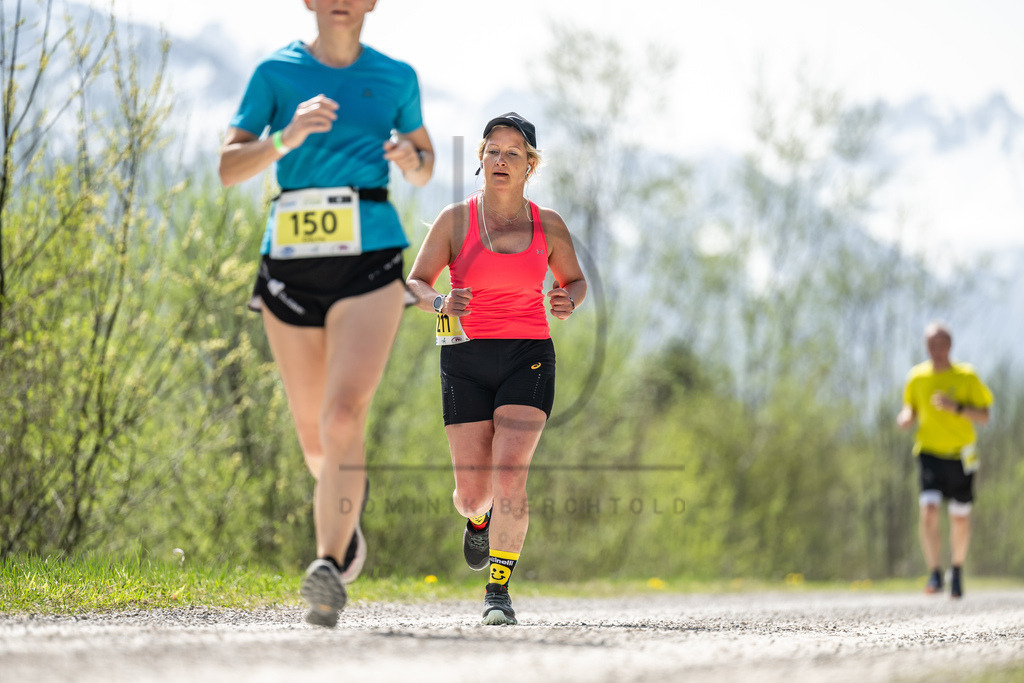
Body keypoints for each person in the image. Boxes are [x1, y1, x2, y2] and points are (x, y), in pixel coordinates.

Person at [218, 0, 433, 627]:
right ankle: (346, 509)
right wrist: (285, 138)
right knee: (317, 438)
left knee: (344, 416)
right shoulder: (274, 74)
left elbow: (424, 163)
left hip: (370, 256)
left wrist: (410, 159)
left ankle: (326, 570)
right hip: (291, 264)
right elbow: (229, 168)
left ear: (372, 3)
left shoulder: (397, 77)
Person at [407, 113, 586, 625]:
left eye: (513, 153)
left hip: (528, 356)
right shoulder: (455, 221)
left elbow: (574, 282)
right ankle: (479, 520)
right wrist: (440, 301)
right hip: (464, 357)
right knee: (472, 496)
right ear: (480, 159)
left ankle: (498, 593)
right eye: (492, 150)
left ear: (531, 165)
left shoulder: (548, 224)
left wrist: (568, 300)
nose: (500, 160)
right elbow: (414, 283)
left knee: (510, 473)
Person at [897, 321, 993, 599]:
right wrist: (906, 417)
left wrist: (956, 408)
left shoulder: (967, 376)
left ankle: (957, 570)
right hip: (929, 453)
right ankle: (935, 573)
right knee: (928, 510)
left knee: (959, 518)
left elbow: (985, 416)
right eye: (931, 344)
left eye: (940, 344)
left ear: (950, 346)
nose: (935, 349)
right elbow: (910, 407)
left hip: (961, 455)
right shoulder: (917, 377)